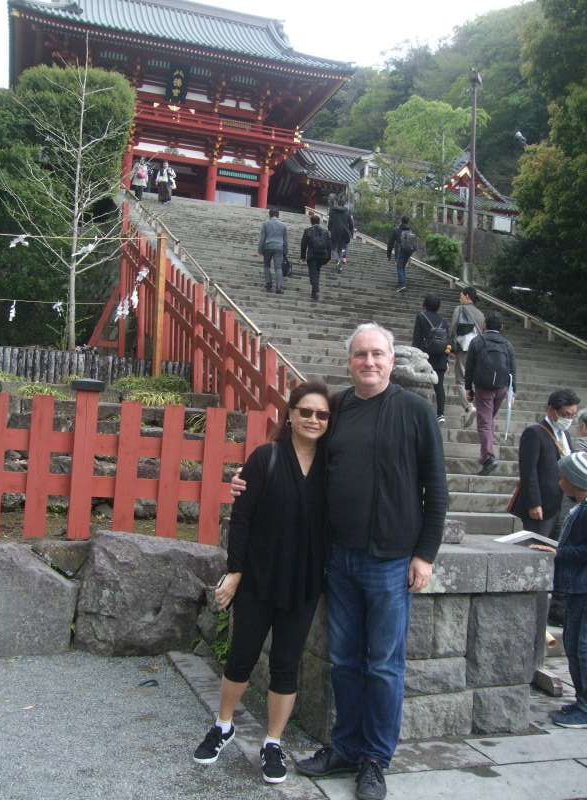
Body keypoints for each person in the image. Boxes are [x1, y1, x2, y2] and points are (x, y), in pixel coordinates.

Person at [232, 323, 448, 800]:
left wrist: (425, 554)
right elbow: (300, 454)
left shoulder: (416, 412)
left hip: (391, 562)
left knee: (384, 666)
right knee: (344, 661)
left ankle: (375, 758)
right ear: (349, 361)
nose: (368, 363)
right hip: (340, 559)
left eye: (377, 355)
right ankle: (346, 746)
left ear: (391, 360)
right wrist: (249, 478)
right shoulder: (341, 410)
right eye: (359, 355)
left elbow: (438, 489)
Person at [193, 382, 330, 784]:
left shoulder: (333, 467)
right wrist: (235, 571)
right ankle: (223, 724)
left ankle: (272, 741)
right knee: (242, 656)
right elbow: (243, 518)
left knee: (287, 664)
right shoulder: (266, 457)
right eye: (305, 411)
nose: (313, 420)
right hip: (258, 577)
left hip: (303, 582)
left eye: (321, 414)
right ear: (290, 414)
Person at [543, 452, 587, 729]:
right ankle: (581, 700)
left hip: (583, 588)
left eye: (562, 478)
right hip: (577, 587)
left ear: (575, 481)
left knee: (582, 647)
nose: (559, 483)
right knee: (572, 643)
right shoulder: (580, 508)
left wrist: (559, 551)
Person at [510, 388, 580, 538]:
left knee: (555, 550)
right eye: (565, 415)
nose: (569, 420)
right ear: (551, 410)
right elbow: (528, 471)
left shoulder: (565, 434)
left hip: (563, 504)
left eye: (573, 416)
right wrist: (534, 503)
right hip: (542, 506)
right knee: (536, 547)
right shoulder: (534, 433)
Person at [464, 310, 516, 476]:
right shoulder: (507, 344)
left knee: (485, 422)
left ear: (484, 326)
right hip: (501, 388)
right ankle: (485, 454)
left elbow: (470, 366)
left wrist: (468, 388)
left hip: (483, 387)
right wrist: (513, 391)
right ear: (501, 327)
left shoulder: (477, 341)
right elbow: (513, 369)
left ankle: (488, 457)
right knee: (488, 419)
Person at [412, 294, 451, 424]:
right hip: (440, 358)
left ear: (425, 304)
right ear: (438, 307)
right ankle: (441, 414)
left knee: (421, 384)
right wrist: (446, 359)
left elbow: (416, 338)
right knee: (439, 386)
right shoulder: (444, 321)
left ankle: (420, 411)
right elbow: (447, 342)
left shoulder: (421, 317)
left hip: (425, 356)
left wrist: (414, 355)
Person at [450, 287, 485, 427]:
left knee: (461, 379)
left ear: (467, 296)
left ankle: (469, 407)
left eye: (461, 295)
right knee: (472, 379)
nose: (460, 298)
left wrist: (450, 346)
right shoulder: (481, 314)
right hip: (477, 349)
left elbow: (453, 328)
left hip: (463, 348)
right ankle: (473, 405)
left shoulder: (459, 309)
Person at [301, 214, 332, 302]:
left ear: (311, 222)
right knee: (317, 271)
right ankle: (314, 291)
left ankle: (316, 290)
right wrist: (329, 257)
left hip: (312, 255)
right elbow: (329, 245)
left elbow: (303, 245)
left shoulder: (307, 231)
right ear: (319, 222)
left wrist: (303, 256)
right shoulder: (326, 232)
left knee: (312, 273)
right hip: (323, 256)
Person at [258, 208, 288, 294]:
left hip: (268, 246)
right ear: (278, 215)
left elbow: (262, 238)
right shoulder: (283, 225)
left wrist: (260, 250)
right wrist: (285, 251)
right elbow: (285, 240)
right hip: (279, 247)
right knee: (278, 268)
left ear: (270, 215)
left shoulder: (266, 224)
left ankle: (268, 284)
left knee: (266, 266)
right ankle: (279, 287)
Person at [387, 215, 417, 294]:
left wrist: (389, 254)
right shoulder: (410, 230)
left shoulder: (396, 230)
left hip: (401, 251)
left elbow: (390, 243)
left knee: (399, 267)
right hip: (408, 251)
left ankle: (402, 285)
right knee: (402, 267)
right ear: (408, 221)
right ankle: (402, 283)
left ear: (401, 221)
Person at [328, 197, 354, 273]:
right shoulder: (347, 211)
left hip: (335, 231)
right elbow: (351, 223)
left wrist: (329, 230)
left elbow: (330, 222)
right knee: (341, 248)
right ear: (344, 204)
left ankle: (338, 260)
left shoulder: (332, 211)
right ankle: (340, 261)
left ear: (338, 203)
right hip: (344, 232)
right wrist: (351, 233)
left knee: (333, 248)